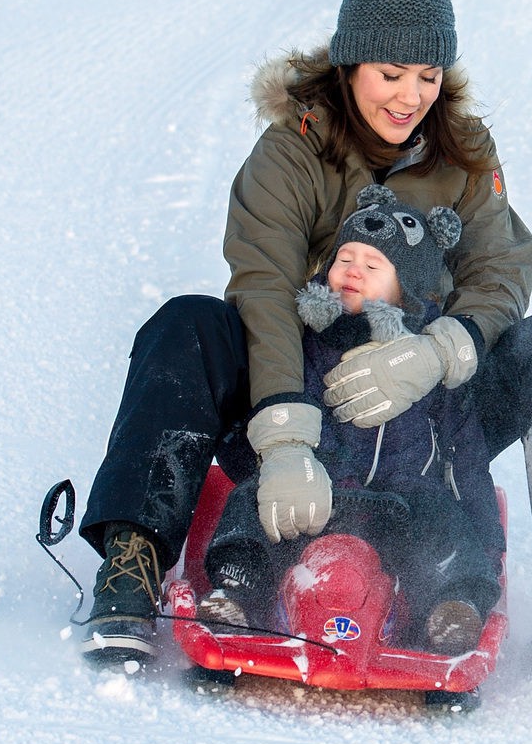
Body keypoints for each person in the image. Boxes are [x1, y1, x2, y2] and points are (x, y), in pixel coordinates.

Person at [78, 0, 532, 684]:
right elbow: (265, 291)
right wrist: (283, 438)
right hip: (299, 398)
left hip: (430, 420)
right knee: (187, 326)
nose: (410, 98)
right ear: (348, 65)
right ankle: (132, 564)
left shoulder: (463, 148)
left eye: (428, 74)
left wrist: (445, 348)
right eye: (389, 73)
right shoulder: (290, 155)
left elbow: (501, 268)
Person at [196, 184, 505, 654]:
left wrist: (484, 540)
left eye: (373, 265)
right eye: (345, 258)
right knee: (251, 504)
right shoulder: (301, 343)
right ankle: (235, 595)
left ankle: (452, 609)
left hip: (400, 507)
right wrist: (255, 467)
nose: (353, 270)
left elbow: (465, 458)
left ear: (406, 291)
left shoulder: (428, 369)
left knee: (442, 521)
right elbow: (261, 411)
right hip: (312, 499)